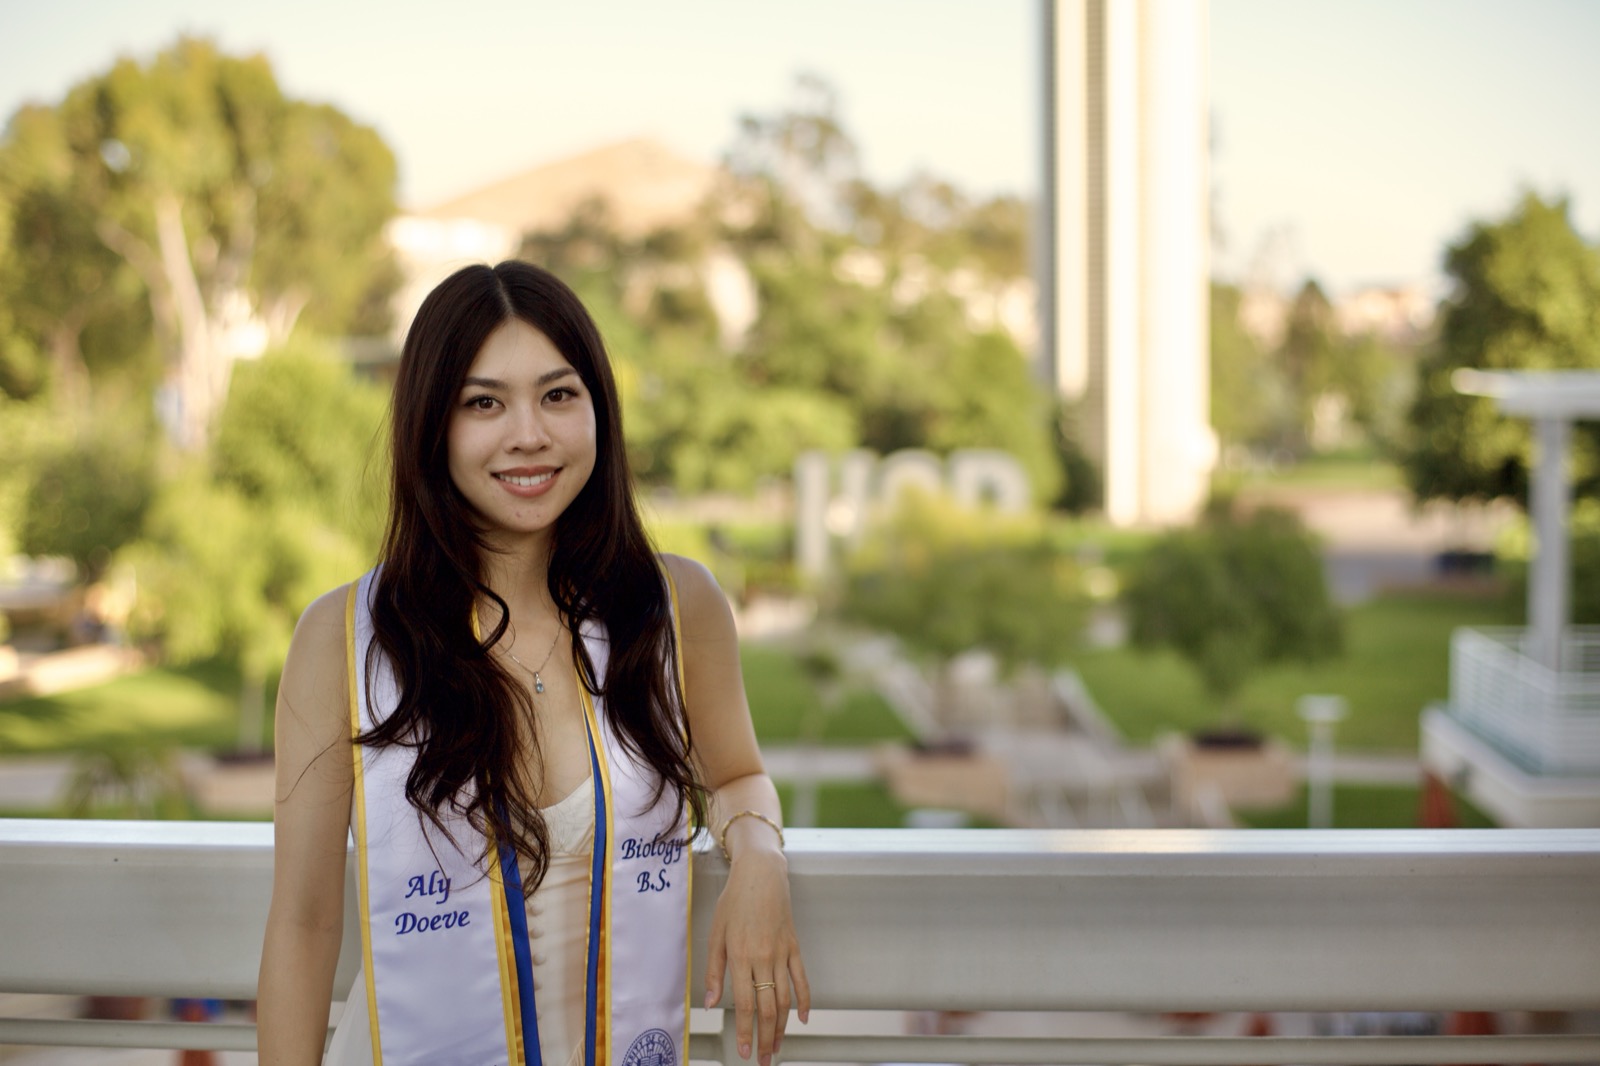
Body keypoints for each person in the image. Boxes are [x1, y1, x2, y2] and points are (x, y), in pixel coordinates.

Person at [258, 261, 808, 1066]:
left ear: (598, 411)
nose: (529, 434)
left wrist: (759, 856)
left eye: (558, 395)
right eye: (484, 402)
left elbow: (735, 776)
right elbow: (304, 922)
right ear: (431, 426)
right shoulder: (345, 639)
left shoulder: (674, 606)